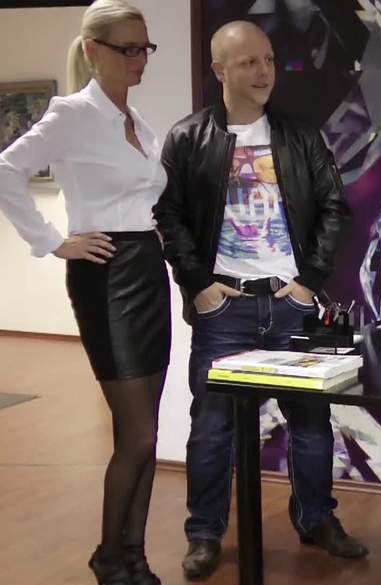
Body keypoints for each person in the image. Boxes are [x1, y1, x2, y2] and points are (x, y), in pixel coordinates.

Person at [153, 20, 365, 580]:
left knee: (312, 422)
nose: (264, 71)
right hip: (225, 309)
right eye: (248, 62)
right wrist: (197, 286)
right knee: (212, 427)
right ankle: (204, 534)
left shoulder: (300, 136)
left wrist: (309, 282)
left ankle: (317, 519)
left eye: (268, 59)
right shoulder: (188, 138)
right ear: (219, 71)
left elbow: (334, 208)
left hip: (292, 304)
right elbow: (169, 216)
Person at [0, 2, 167, 584]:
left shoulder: (137, 120)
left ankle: (134, 555)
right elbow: (5, 170)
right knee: (140, 433)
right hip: (106, 277)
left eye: (144, 48)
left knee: (142, 435)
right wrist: (51, 241)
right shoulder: (71, 114)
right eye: (128, 48)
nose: (139, 59)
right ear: (94, 51)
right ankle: (108, 555)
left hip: (148, 271)